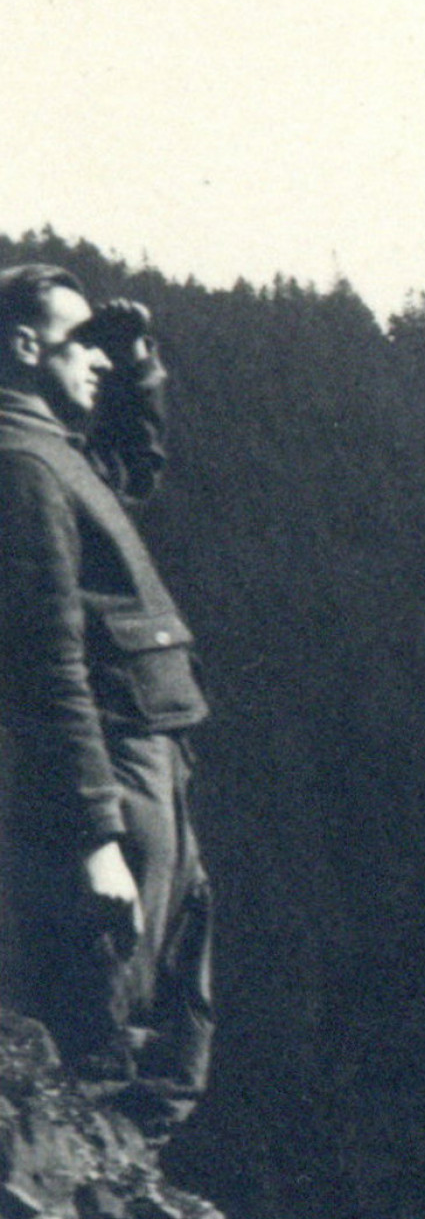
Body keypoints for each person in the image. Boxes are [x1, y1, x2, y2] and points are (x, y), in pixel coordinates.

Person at [0, 263, 212, 1131]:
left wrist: (138, 371)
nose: (97, 359)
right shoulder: (20, 467)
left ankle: (128, 1212)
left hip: (147, 749)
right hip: (114, 762)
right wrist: (97, 837)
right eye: (81, 340)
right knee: (112, 1019)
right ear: (21, 344)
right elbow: (44, 665)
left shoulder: (50, 448)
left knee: (168, 1008)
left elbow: (128, 469)